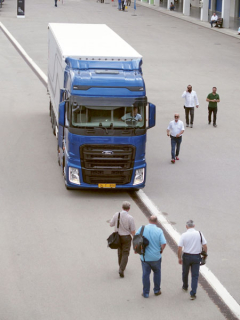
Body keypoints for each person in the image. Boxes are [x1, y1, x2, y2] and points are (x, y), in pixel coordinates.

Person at [135, 216, 166, 298]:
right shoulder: (159, 230)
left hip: (145, 257)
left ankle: (146, 293)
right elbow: (164, 242)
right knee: (157, 273)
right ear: (156, 221)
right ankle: (156, 290)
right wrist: (161, 249)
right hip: (156, 257)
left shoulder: (142, 228)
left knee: (145, 274)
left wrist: (136, 249)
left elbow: (135, 239)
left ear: (148, 220)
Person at [178, 220, 207, 300]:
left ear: (186, 226)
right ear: (194, 225)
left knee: (185, 272)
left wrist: (179, 257)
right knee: (195, 275)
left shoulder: (184, 235)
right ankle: (193, 293)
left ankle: (185, 286)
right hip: (196, 257)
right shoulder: (199, 234)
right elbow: (204, 245)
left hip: (186, 256)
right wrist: (204, 256)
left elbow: (180, 248)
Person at [110, 201, 136, 278]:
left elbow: (111, 224)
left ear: (122, 207)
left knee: (119, 251)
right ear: (129, 209)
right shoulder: (130, 218)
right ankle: (121, 268)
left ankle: (120, 265)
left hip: (118, 236)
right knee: (125, 253)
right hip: (126, 237)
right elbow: (133, 231)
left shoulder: (116, 214)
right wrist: (135, 237)